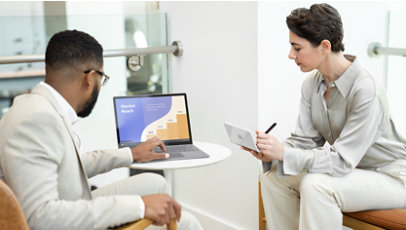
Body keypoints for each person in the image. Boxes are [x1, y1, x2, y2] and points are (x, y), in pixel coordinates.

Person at [0, 30, 203, 230]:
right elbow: (40, 218)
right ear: (90, 78)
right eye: (102, 79)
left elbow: (70, 165)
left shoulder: (37, 106)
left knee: (156, 183)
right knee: (188, 222)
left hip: (70, 200)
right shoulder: (38, 121)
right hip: (65, 217)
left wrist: (131, 154)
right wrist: (141, 207)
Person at [242, 3, 406, 230]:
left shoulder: (366, 90)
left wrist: (285, 153)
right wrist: (272, 150)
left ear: (324, 46)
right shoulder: (312, 85)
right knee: (274, 176)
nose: (291, 55)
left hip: (390, 177)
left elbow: (340, 161)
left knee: (315, 185)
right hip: (352, 171)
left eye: (297, 48)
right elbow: (304, 142)